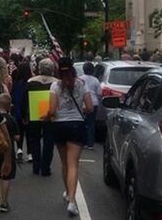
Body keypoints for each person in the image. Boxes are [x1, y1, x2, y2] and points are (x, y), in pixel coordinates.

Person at [42, 57, 93, 216]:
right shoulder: (81, 85)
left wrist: (45, 115)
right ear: (72, 68)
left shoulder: (55, 86)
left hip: (59, 126)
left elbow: (52, 110)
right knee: (73, 164)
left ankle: (67, 191)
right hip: (77, 126)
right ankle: (71, 200)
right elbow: (90, 107)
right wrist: (80, 111)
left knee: (64, 163)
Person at [22, 58, 58, 176]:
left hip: (34, 114)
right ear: (52, 69)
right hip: (51, 116)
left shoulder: (31, 82)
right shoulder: (57, 83)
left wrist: (24, 115)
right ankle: (45, 168)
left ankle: (36, 167)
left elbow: (24, 100)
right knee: (49, 142)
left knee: (34, 141)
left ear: (39, 68)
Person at [0, 93, 19, 213]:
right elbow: (17, 137)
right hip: (7, 152)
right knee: (5, 177)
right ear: (9, 106)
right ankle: (4, 202)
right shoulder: (11, 119)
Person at [11, 61, 33, 162]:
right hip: (30, 111)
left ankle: (19, 149)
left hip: (17, 111)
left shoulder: (15, 83)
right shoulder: (31, 84)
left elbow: (12, 96)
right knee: (29, 133)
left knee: (19, 131)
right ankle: (30, 153)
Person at [80, 62, 101, 150]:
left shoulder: (80, 79)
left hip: (83, 104)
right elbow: (99, 93)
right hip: (93, 103)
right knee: (91, 124)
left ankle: (83, 142)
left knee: (82, 123)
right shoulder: (95, 80)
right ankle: (90, 144)